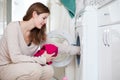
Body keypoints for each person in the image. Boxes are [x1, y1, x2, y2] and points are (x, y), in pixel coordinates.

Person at [0, 2, 80, 80]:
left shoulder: (37, 33)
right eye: (44, 18)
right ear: (34, 14)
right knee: (35, 69)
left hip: (21, 66)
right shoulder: (13, 28)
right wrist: (42, 59)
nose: (45, 22)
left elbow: (57, 46)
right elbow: (15, 58)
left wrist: (79, 50)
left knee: (49, 71)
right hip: (5, 68)